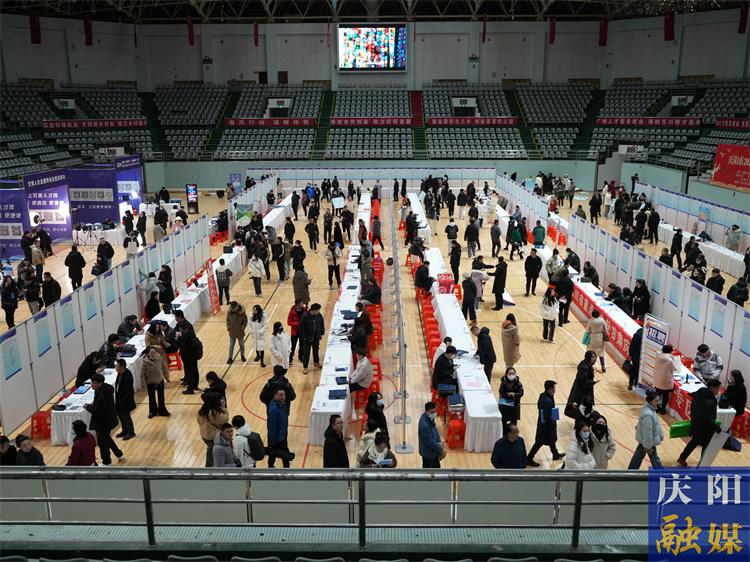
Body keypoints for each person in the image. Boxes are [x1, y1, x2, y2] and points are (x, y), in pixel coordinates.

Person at [677, 379, 722, 467]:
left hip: (696, 422)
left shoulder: (700, 392)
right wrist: (717, 428)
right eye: (718, 388)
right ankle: (703, 464)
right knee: (706, 445)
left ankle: (682, 458)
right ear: (712, 388)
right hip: (705, 428)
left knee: (694, 441)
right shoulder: (710, 402)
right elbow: (709, 418)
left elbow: (691, 396)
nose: (718, 390)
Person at [85, 373, 124, 465]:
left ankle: (107, 462)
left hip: (104, 422)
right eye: (91, 382)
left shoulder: (104, 395)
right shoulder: (102, 389)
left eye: (94, 383)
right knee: (106, 438)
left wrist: (88, 407)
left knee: (103, 443)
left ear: (100, 383)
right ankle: (119, 454)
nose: (92, 384)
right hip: (106, 420)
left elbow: (97, 410)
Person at [526, 380, 564, 466]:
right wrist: (552, 425)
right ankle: (529, 458)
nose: (554, 390)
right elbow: (547, 416)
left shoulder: (543, 395)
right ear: (549, 389)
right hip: (546, 426)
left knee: (551, 440)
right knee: (540, 442)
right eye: (553, 388)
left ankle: (555, 454)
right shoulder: (548, 401)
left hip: (542, 423)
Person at [627, 391, 665, 469]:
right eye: (656, 401)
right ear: (650, 401)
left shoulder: (650, 410)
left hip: (647, 441)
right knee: (655, 459)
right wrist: (648, 446)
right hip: (648, 441)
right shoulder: (648, 414)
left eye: (659, 400)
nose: (659, 402)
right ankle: (660, 473)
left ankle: (631, 472)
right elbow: (647, 432)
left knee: (638, 458)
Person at [197, 391, 228, 467]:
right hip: (213, 437)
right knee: (211, 457)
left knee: (211, 452)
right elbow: (225, 419)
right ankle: (210, 470)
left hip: (205, 435)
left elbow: (199, 421)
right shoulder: (214, 412)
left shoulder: (202, 409)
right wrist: (223, 407)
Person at [566, 351, 599, 418]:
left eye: (595, 357)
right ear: (588, 357)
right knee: (581, 408)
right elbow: (583, 381)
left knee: (582, 408)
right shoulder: (584, 368)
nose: (595, 358)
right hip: (581, 392)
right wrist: (593, 382)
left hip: (583, 391)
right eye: (593, 357)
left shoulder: (587, 365)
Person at [141, 346, 170, 418]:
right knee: (151, 397)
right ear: (148, 353)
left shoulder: (160, 358)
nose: (153, 354)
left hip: (159, 380)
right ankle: (152, 411)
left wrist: (167, 377)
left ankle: (162, 410)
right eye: (151, 353)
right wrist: (143, 384)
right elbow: (142, 374)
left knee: (161, 397)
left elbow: (164, 368)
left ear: (156, 353)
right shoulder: (145, 361)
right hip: (150, 382)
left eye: (154, 352)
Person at [267, 388, 291, 468]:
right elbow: (272, 427)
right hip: (278, 438)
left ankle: (271, 467)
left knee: (274, 455)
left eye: (284, 394)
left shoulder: (282, 404)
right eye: (280, 395)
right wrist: (272, 442)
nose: (283, 396)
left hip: (282, 435)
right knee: (283, 455)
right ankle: (283, 469)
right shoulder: (274, 409)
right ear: (275, 395)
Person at [113, 358, 136, 440]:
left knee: (126, 417)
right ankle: (125, 430)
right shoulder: (120, 373)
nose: (115, 367)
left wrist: (122, 401)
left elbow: (129, 392)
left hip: (125, 402)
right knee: (121, 417)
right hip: (119, 401)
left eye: (117, 366)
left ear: (122, 367)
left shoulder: (127, 376)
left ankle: (131, 432)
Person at [177, 317, 201, 395]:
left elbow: (183, 348)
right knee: (195, 370)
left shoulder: (183, 337)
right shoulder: (190, 333)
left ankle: (190, 389)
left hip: (188, 357)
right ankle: (195, 386)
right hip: (194, 355)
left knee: (189, 373)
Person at [299, 303, 324, 374]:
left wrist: (321, 333)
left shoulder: (319, 315)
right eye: (318, 310)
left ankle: (316, 362)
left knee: (316, 350)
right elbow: (301, 328)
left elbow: (321, 323)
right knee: (306, 353)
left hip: (316, 337)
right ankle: (305, 367)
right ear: (314, 310)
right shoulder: (305, 316)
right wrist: (304, 337)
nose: (318, 311)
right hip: (307, 338)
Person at [418, 402, 444, 468]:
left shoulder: (429, 417)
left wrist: (439, 442)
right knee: (427, 471)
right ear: (426, 411)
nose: (434, 413)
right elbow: (429, 441)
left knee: (437, 468)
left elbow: (434, 429)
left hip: (434, 450)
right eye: (432, 412)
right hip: (428, 453)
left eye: (435, 411)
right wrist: (440, 448)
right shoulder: (424, 425)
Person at [287, 299, 306, 364]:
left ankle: (301, 356)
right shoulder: (292, 312)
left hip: (302, 331)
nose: (302, 304)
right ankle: (290, 357)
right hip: (295, 332)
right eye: (301, 303)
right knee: (292, 345)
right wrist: (298, 324)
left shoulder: (304, 310)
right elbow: (289, 322)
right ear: (297, 304)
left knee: (302, 345)